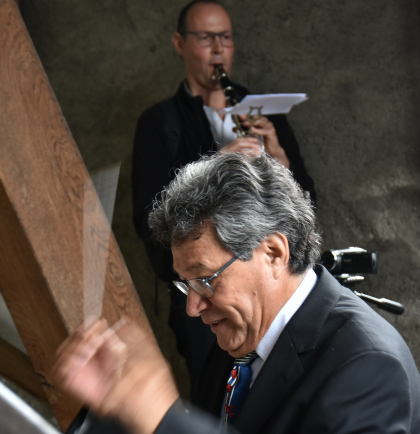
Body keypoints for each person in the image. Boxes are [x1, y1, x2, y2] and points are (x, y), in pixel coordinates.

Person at [56, 153, 420, 434]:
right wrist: (120, 409)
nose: (193, 307)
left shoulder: (368, 365)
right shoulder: (238, 338)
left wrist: (165, 425)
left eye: (205, 279)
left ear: (273, 253)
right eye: (186, 284)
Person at [132, 0, 315, 383]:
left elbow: (307, 206)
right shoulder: (159, 123)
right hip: (206, 292)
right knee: (215, 394)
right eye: (205, 38)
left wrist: (281, 161)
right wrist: (217, 164)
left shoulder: (263, 114)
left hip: (271, 286)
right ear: (180, 43)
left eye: (226, 38)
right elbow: (148, 219)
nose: (218, 49)